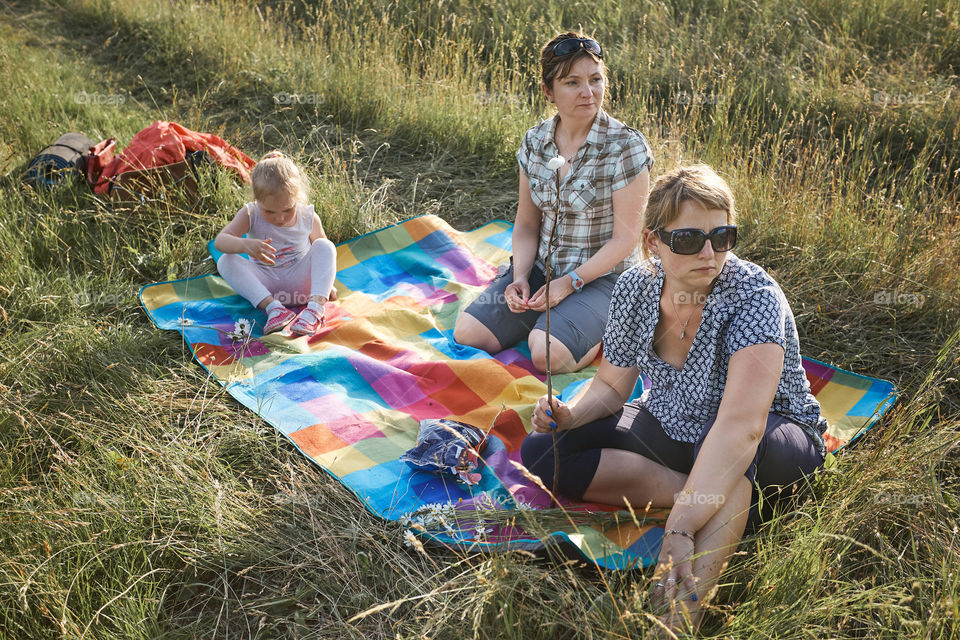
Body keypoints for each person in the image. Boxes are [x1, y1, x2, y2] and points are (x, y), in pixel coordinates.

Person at [520, 165, 828, 633]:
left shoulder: (754, 297)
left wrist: (680, 527)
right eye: (688, 239)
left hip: (769, 438)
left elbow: (741, 426)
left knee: (736, 461)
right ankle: (708, 494)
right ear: (653, 242)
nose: (708, 253)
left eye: (722, 236)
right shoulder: (636, 288)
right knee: (544, 449)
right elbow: (609, 387)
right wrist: (570, 413)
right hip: (675, 424)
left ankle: (680, 617)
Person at [453, 32, 653, 373]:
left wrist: (570, 283)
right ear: (549, 92)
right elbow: (527, 224)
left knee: (547, 356)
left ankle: (599, 327)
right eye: (572, 82)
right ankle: (548, 318)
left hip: (604, 277)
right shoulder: (535, 142)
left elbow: (626, 239)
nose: (588, 93)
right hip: (543, 268)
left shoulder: (626, 146)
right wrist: (519, 276)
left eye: (595, 80)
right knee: (469, 333)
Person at [214, 151, 337, 336]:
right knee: (225, 261)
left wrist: (325, 285)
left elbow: (324, 258)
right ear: (257, 200)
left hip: (303, 287)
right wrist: (245, 245)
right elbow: (220, 241)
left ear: (298, 198)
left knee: (325, 246)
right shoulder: (250, 214)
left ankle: (314, 310)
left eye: (288, 209)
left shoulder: (308, 216)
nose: (279, 218)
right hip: (265, 288)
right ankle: (275, 310)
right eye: (270, 211)